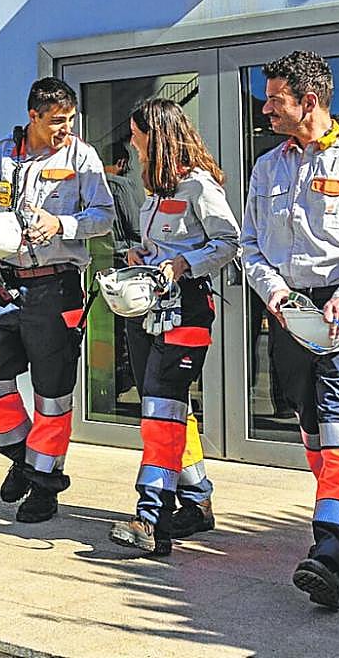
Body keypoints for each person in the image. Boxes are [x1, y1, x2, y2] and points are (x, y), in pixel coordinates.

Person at [242, 50, 339, 611]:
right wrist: (273, 291)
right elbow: (250, 244)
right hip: (288, 309)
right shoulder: (267, 167)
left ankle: (332, 552)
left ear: (311, 101)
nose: (267, 109)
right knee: (311, 426)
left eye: (277, 100)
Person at [0, 77, 115, 522]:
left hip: (56, 286)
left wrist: (62, 225)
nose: (64, 129)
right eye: (56, 122)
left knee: (52, 392)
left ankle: (46, 485)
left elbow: (103, 216)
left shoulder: (80, 156)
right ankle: (23, 457)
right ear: (33, 116)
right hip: (2, 283)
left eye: (69, 120)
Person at [107, 99, 239, 556]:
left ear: (156, 135)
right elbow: (161, 245)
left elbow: (229, 242)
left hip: (187, 311)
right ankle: (197, 501)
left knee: (161, 408)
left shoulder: (199, 185)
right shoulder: (157, 189)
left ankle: (150, 516)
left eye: (136, 134)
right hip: (149, 311)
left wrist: (184, 263)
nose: (132, 143)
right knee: (165, 405)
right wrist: (141, 256)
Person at [102, 140, 146, 398]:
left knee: (113, 332)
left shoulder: (91, 187)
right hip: (127, 265)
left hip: (103, 264)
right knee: (131, 329)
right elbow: (138, 228)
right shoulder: (121, 186)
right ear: (122, 163)